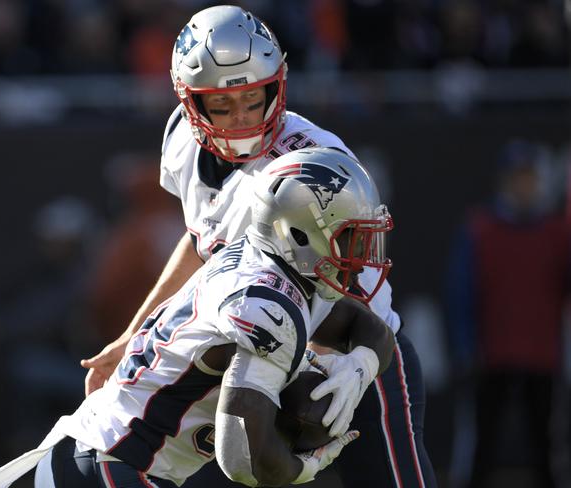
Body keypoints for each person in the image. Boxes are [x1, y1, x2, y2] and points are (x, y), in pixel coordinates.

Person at [81, 6, 436, 487]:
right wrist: (132, 335)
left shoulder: (314, 163)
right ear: (191, 103)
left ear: (278, 83)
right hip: (261, 364)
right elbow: (203, 240)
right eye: (222, 106)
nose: (242, 118)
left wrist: (358, 364)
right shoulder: (182, 140)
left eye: (253, 98)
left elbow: (360, 280)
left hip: (350, 355)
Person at [0, 148, 395, 488]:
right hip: (115, 466)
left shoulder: (267, 265)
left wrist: (359, 367)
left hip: (93, 454)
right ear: (298, 233)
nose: (360, 259)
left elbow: (368, 328)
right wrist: (307, 466)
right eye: (350, 239)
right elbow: (245, 461)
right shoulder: (268, 308)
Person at [447, 140, 571, 488]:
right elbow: (461, 295)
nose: (524, 186)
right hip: (491, 356)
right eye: (518, 178)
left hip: (543, 357)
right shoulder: (480, 229)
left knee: (546, 450)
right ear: (505, 181)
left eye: (530, 178)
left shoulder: (557, 234)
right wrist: (465, 348)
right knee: (480, 451)